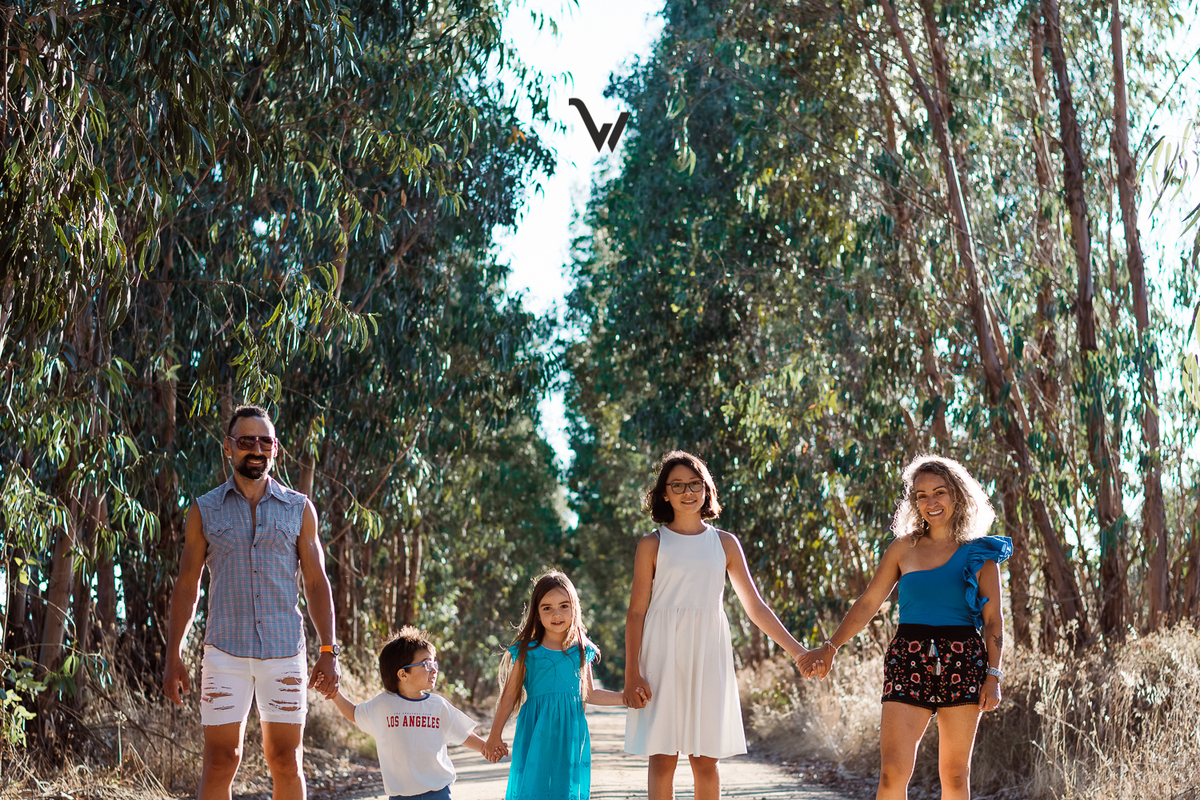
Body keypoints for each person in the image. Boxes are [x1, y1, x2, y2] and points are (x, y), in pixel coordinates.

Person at [798, 454, 1012, 800]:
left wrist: (993, 676)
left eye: (939, 492)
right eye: (921, 495)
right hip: (908, 658)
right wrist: (831, 646)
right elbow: (869, 602)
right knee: (892, 773)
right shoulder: (903, 548)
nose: (931, 502)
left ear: (957, 494)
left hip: (963, 661)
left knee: (955, 776)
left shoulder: (980, 554)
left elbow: (993, 621)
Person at [163, 404, 340, 800]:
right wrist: (174, 653)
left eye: (265, 441)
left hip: (283, 652)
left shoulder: (299, 508)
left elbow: (315, 581)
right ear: (229, 448)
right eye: (246, 441)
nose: (256, 449)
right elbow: (188, 585)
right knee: (222, 759)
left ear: (275, 449)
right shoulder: (204, 510)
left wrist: (328, 649)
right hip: (224, 653)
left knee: (285, 760)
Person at [623, 450, 814, 800]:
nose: (687, 492)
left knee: (705, 761)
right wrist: (632, 673)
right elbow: (636, 612)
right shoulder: (652, 544)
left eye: (694, 483)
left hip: (708, 654)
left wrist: (798, 652)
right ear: (664, 493)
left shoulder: (724, 543)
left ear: (706, 488)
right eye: (677, 485)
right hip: (662, 655)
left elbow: (754, 606)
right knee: (663, 759)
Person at [483, 570, 627, 800]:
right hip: (535, 730)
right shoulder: (527, 651)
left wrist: (625, 698)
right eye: (547, 607)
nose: (556, 614)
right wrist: (494, 736)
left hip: (570, 733)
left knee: (564, 789)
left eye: (563, 605)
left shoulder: (581, 650)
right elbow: (509, 696)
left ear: (574, 609)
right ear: (537, 614)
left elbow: (589, 694)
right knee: (534, 788)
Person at [327, 626, 496, 800]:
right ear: (403, 674)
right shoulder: (384, 705)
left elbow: (462, 733)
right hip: (401, 796)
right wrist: (334, 694)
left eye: (434, 663)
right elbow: (354, 713)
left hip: (438, 793)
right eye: (426, 664)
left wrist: (485, 747)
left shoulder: (438, 706)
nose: (434, 669)